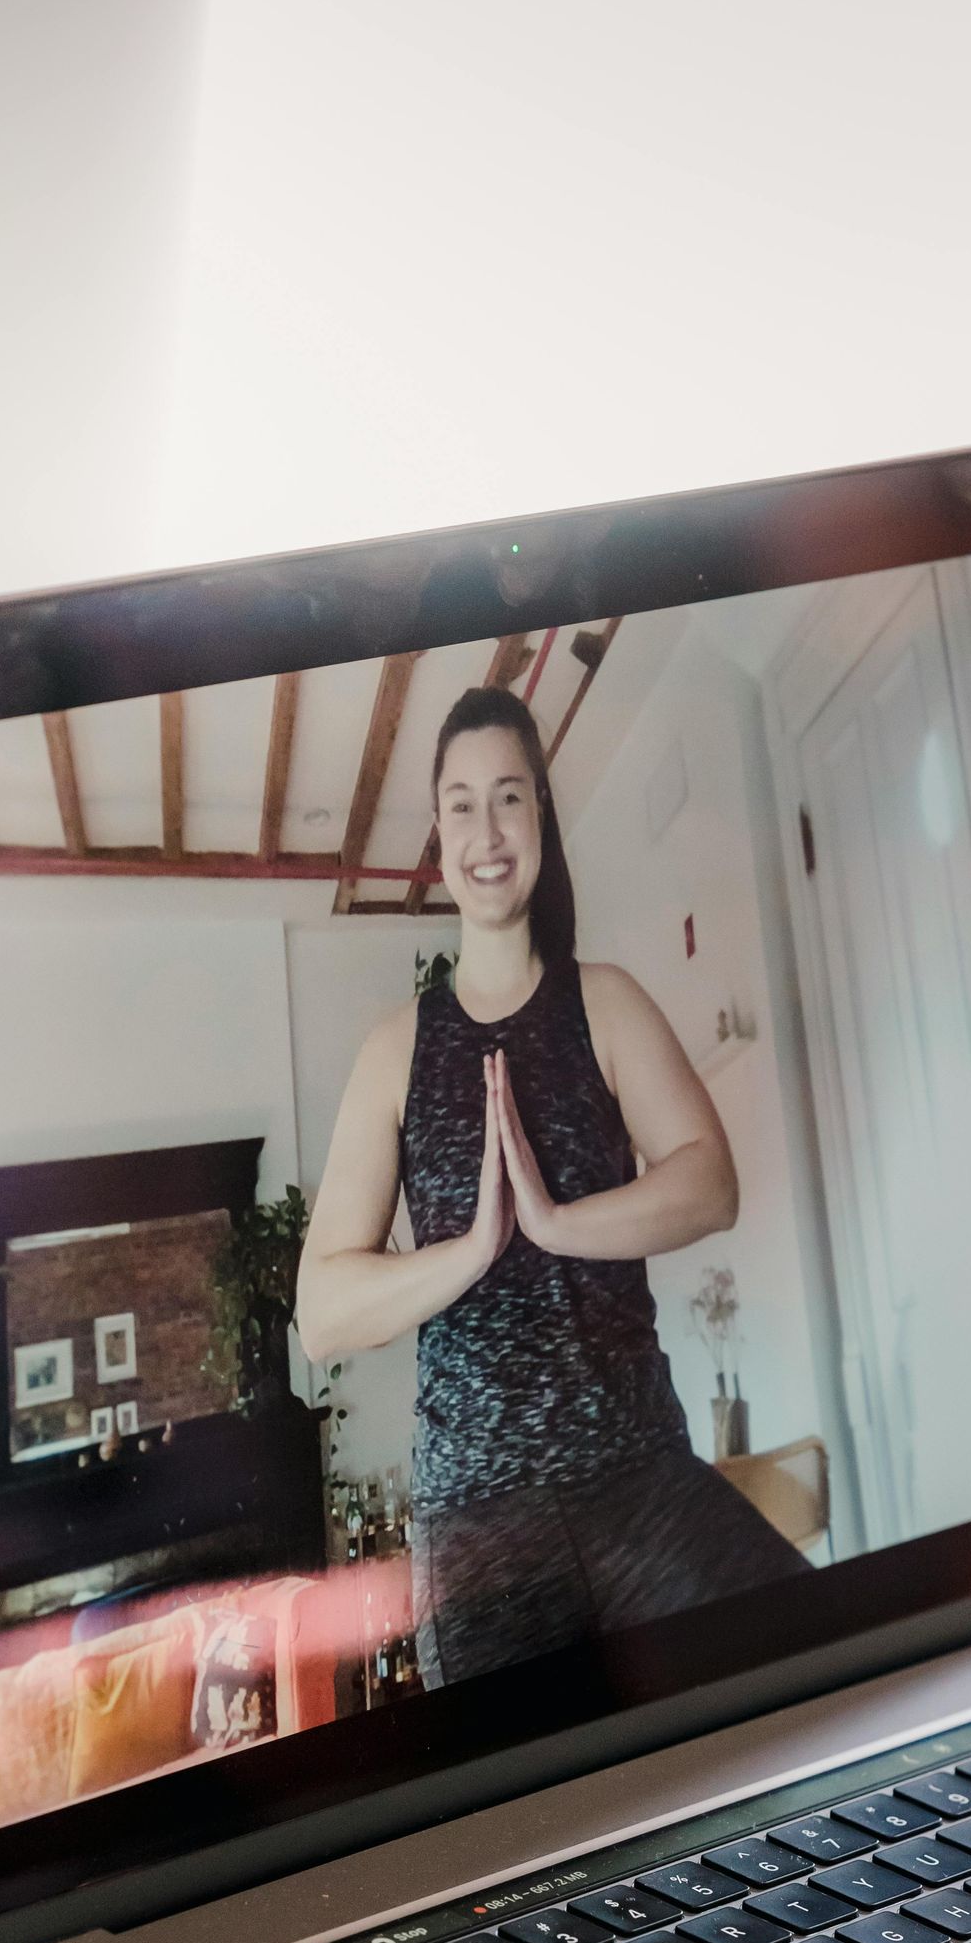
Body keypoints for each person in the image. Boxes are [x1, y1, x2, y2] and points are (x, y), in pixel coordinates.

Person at [297, 681, 807, 1688]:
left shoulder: (605, 1004)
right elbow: (322, 1312)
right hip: (482, 1531)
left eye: (511, 797)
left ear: (541, 820)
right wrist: (471, 1250)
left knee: (810, 1691)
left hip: (642, 1480)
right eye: (460, 803)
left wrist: (556, 1222)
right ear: (437, 839)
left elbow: (711, 1187)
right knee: (542, 1825)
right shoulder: (395, 1050)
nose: (487, 830)